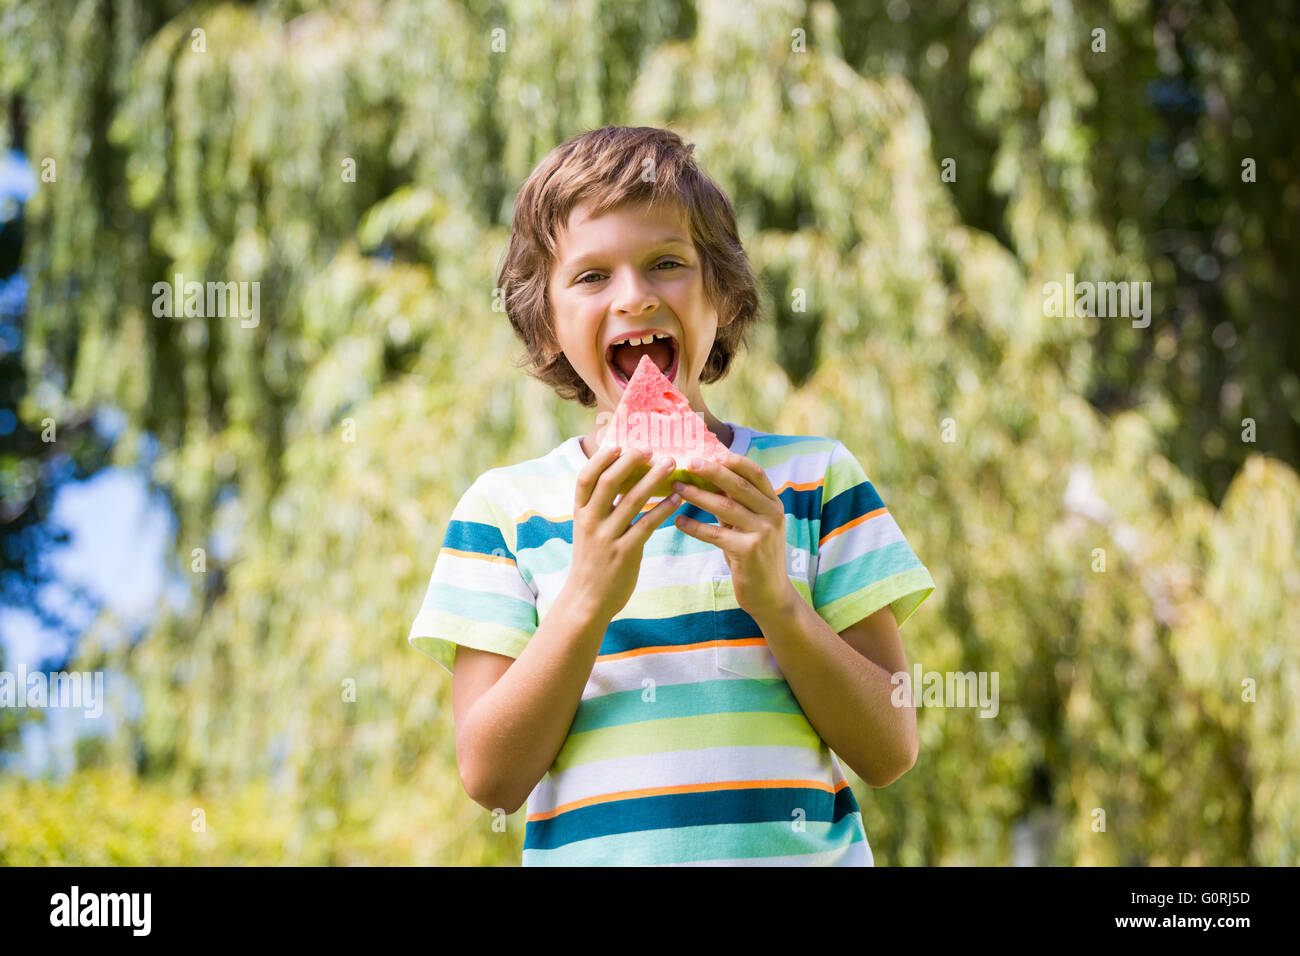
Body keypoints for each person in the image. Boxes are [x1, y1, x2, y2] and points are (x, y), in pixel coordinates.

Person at [408, 125, 935, 865]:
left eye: (667, 264)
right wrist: (588, 593)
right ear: (548, 322)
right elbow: (491, 777)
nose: (635, 297)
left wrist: (777, 602)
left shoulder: (816, 482)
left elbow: (890, 749)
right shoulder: (504, 512)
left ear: (719, 295)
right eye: (591, 277)